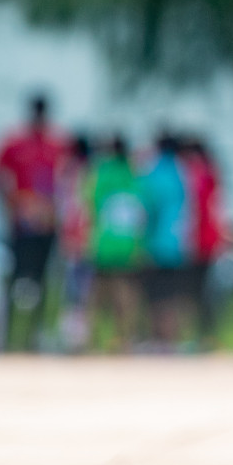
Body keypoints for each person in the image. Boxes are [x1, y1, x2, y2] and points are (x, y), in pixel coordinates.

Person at [0, 93, 65, 351]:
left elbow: (69, 178)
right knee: (14, 279)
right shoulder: (15, 142)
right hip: (21, 225)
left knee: (43, 280)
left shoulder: (56, 143)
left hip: (47, 224)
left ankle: (36, 336)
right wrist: (8, 205)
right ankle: (7, 338)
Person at [88, 134, 147, 351]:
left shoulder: (102, 173)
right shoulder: (135, 175)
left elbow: (92, 204)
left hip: (105, 241)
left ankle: (92, 338)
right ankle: (125, 338)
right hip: (129, 241)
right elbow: (142, 209)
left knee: (97, 292)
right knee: (126, 290)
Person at [139, 132, 195, 347]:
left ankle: (160, 337)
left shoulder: (154, 173)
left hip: (156, 243)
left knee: (156, 295)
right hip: (179, 242)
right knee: (175, 294)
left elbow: (148, 209)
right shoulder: (183, 172)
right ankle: (176, 338)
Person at [181, 136, 228, 349]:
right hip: (210, 238)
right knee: (204, 290)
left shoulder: (195, 174)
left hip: (199, 240)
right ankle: (206, 335)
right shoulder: (212, 172)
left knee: (195, 291)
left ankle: (201, 335)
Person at [55, 134, 94, 352]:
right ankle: (76, 338)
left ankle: (75, 338)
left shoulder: (68, 173)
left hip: (75, 238)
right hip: (83, 238)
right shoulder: (89, 173)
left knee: (74, 292)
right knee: (80, 292)